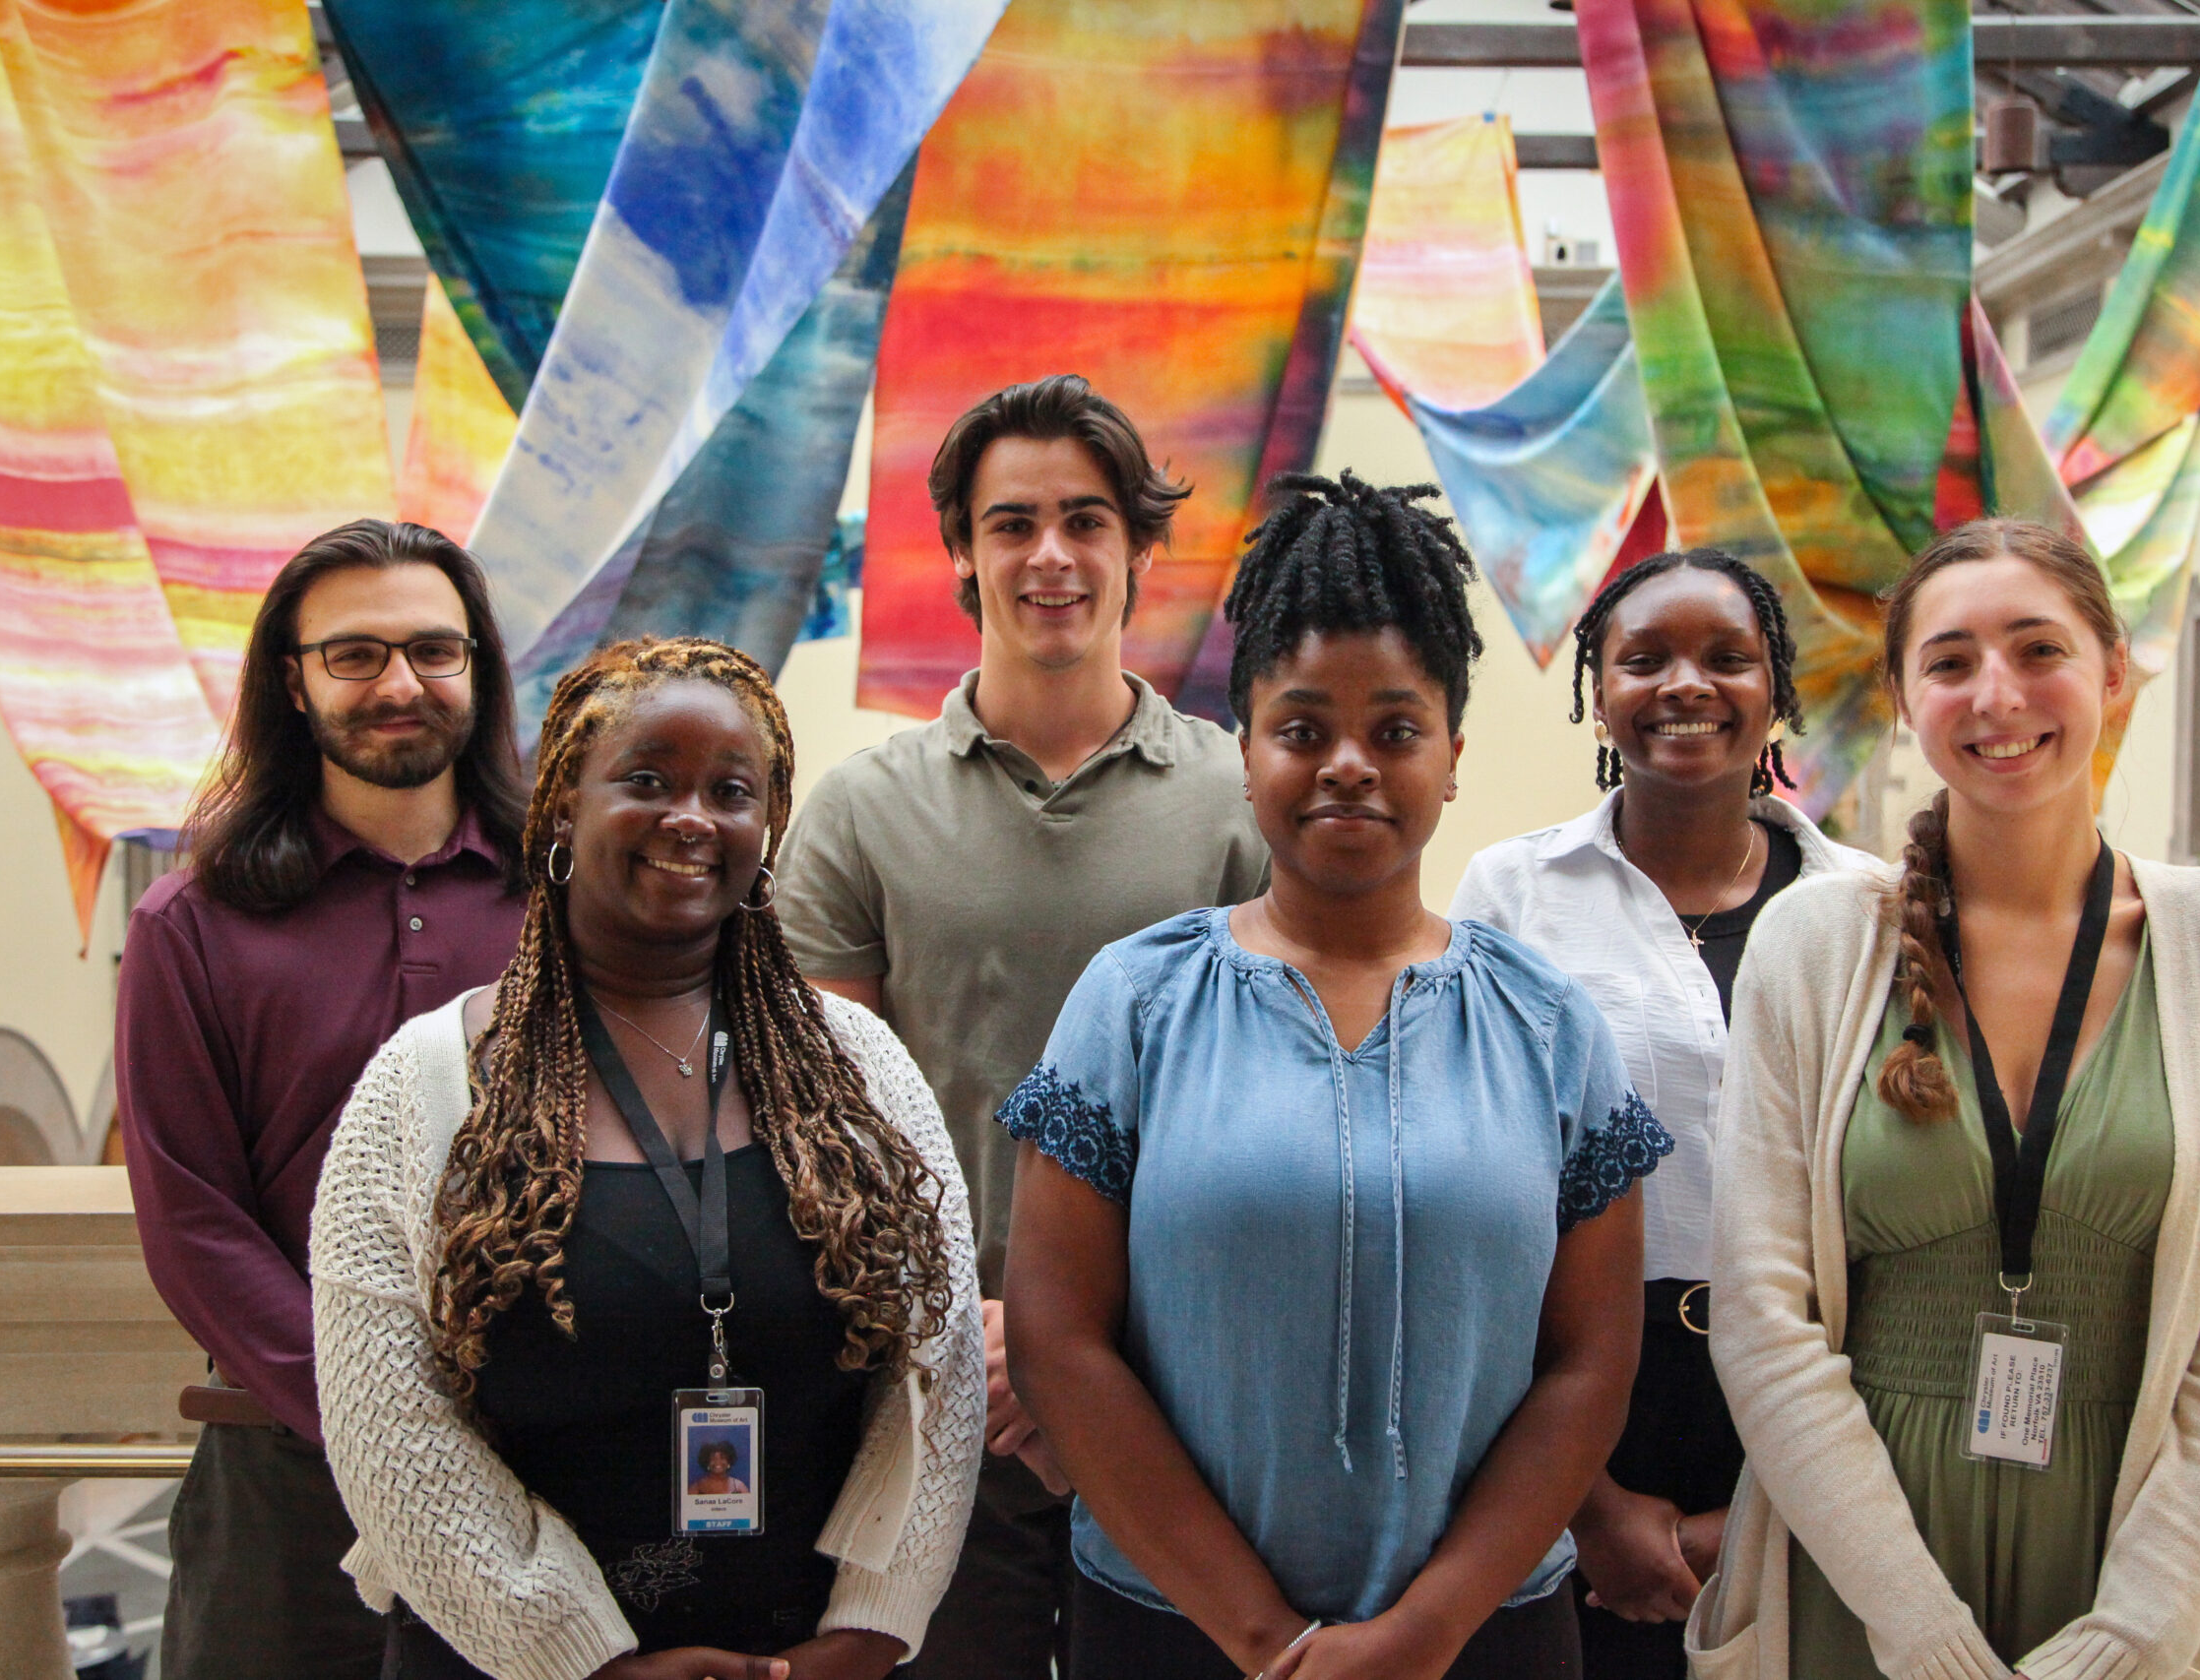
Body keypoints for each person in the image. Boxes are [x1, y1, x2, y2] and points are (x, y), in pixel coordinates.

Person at [1001, 472, 1673, 1680]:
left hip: (1482, 1642)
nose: (1348, 765)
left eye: (1396, 731)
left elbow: (1588, 1367)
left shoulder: (1548, 1028)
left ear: (1454, 757)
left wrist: (1424, 1633)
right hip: (1174, 1635)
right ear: (1246, 750)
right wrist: (1265, 1639)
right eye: (1303, 729)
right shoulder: (1134, 1003)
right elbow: (1059, 1341)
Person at [1695, 520, 2200, 1679]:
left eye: (2038, 649)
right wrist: (1918, 1633)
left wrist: (2127, 1639)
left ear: (2113, 670)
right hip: (1859, 1569)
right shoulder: (1817, 946)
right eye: (1949, 661)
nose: (1997, 695)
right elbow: (1761, 1320)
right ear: (1900, 696)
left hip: (2129, 1558)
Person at [309, 637, 985, 1680]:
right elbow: (388, 1432)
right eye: (647, 780)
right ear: (562, 810)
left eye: (731, 791)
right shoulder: (425, 1087)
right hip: (510, 1665)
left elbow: (936, 1378)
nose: (692, 818)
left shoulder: (860, 1070)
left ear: (768, 829)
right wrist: (585, 1663)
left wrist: (868, 1629)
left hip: (805, 1659)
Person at [773, 374, 1271, 1676]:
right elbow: (828, 1132)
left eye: (1086, 519)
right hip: (933, 1390)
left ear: (1141, 549)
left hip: (1182, 1383)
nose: (1049, 554)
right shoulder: (858, 813)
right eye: (1011, 523)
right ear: (960, 552)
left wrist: (1079, 1334)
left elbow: (1277, 1113)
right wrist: (976, 1329)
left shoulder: (1243, 802)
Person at [1451, 548, 1881, 1679]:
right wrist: (1585, 1506)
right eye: (1644, 659)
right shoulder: (1510, 899)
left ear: (1775, 691)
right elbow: (1472, 1205)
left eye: (1725, 658)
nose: (1684, 685)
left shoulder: (1870, 911)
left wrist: (1765, 1514)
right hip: (1578, 1404)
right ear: (1600, 691)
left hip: (1821, 1398)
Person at [116, 519, 530, 1679]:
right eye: (353, 656)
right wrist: (382, 1415)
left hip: (541, 1462)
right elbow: (194, 1225)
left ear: (475, 671)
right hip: (284, 1478)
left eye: (434, 651)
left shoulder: (572, 902)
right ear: (291, 684)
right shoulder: (187, 929)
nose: (399, 683)